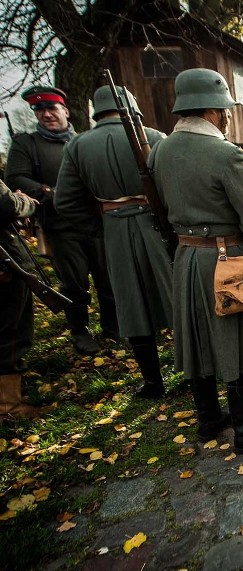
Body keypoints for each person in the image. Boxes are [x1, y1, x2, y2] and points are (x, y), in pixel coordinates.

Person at [148, 68, 243, 451]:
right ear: (214, 111)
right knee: (240, 340)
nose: (228, 116)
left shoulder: (159, 151)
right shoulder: (227, 155)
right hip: (226, 261)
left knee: (198, 340)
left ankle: (209, 420)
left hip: (186, 258)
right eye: (225, 109)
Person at [53, 85, 173, 399]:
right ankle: (198, 373)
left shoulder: (77, 145)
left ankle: (153, 382)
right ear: (132, 107)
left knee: (131, 305)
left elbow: (65, 202)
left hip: (114, 231)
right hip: (156, 227)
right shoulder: (154, 137)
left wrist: (101, 227)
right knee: (176, 299)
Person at [5, 86, 118, 355]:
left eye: (51, 108)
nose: (46, 114)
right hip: (61, 225)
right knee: (75, 283)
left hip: (96, 221)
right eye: (40, 110)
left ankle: (113, 329)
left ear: (65, 110)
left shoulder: (84, 140)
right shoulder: (27, 144)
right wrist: (49, 192)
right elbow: (16, 179)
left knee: (107, 279)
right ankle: (80, 332)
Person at [0, 180, 41, 418]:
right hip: (4, 263)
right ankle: (8, 408)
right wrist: (25, 201)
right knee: (11, 330)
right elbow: (6, 204)